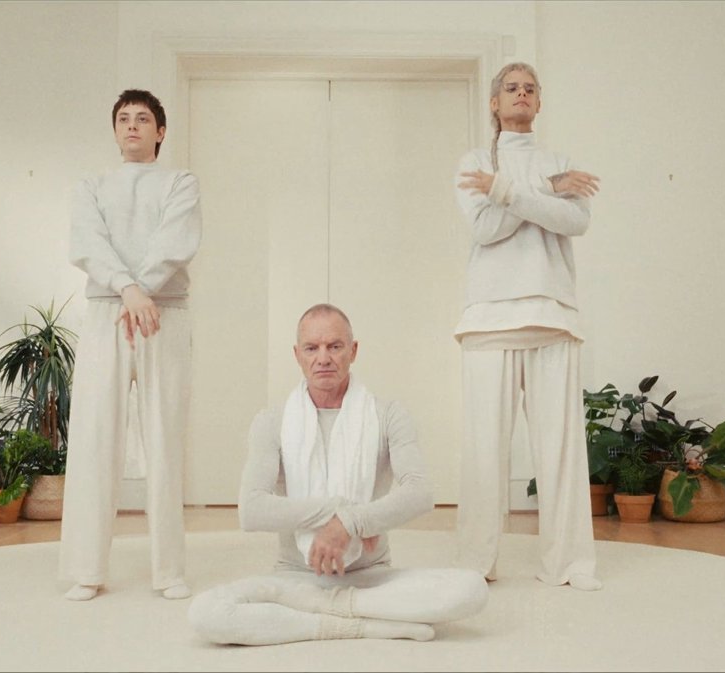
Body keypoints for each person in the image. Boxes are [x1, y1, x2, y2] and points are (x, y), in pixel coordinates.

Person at [188, 304, 488, 645]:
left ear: (353, 351)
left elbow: (420, 492)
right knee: (205, 613)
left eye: (334, 346)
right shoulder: (271, 421)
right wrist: (342, 511)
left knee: (472, 589)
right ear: (297, 355)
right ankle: (363, 624)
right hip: (295, 579)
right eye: (311, 348)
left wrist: (349, 524)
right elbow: (252, 510)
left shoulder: (388, 414)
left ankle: (325, 613)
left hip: (371, 577)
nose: (323, 358)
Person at [453, 62, 603, 591]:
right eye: (512, 88)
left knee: (561, 453)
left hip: (553, 317)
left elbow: (574, 221)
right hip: (488, 321)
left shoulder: (560, 162)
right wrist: (544, 189)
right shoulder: (475, 162)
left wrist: (509, 189)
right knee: (484, 452)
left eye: (530, 88)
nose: (521, 94)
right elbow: (486, 228)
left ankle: (570, 563)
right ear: (494, 103)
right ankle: (475, 563)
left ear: (539, 102)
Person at [59, 89, 202, 601]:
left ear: (160, 131)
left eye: (143, 119)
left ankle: (169, 571)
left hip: (164, 313)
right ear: (115, 130)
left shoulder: (180, 181)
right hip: (109, 311)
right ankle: (86, 570)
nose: (133, 126)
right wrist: (128, 290)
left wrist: (141, 291)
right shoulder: (92, 185)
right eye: (124, 119)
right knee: (96, 437)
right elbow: (87, 242)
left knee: (164, 439)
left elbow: (175, 241)